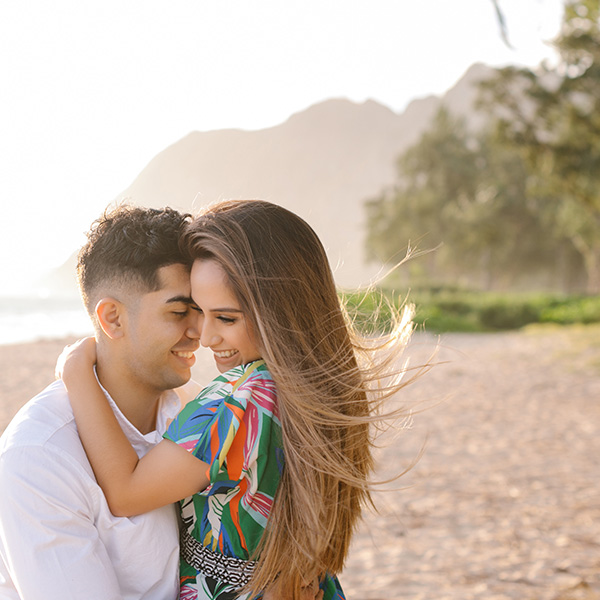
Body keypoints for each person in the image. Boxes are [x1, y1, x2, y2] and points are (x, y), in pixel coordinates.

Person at [59, 199, 417, 600]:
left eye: (226, 318)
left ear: (279, 310)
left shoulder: (234, 399)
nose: (206, 336)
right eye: (196, 312)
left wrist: (76, 372)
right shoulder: (324, 388)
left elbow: (126, 493)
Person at [0, 205, 203, 599]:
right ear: (113, 319)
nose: (198, 331)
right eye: (179, 312)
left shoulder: (196, 413)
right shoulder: (39, 456)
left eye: (202, 312)